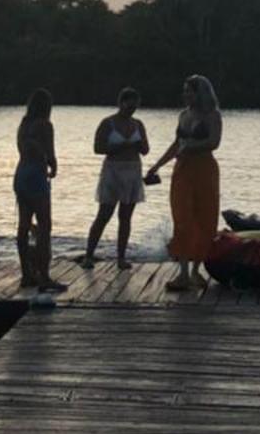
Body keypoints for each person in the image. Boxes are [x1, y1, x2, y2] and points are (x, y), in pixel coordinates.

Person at [146, 73, 223, 292]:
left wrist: (192, 147)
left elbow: (214, 142)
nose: (185, 94)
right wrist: (157, 165)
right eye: (185, 90)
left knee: (205, 217)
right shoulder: (183, 115)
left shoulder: (213, 115)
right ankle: (182, 273)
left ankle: (196, 270)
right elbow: (176, 144)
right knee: (182, 217)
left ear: (200, 93)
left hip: (204, 169)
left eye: (189, 90)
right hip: (183, 170)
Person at [82, 89, 150, 269]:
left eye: (135, 105)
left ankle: (121, 258)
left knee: (126, 217)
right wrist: (119, 146)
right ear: (121, 103)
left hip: (133, 171)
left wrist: (138, 145)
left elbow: (145, 150)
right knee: (104, 214)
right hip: (113, 171)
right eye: (129, 105)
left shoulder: (138, 124)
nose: (132, 109)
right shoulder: (107, 123)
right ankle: (89, 255)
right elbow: (97, 148)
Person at [14, 89, 63, 292]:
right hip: (36, 175)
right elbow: (50, 154)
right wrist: (54, 167)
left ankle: (26, 274)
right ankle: (44, 275)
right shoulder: (45, 125)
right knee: (44, 226)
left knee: (24, 225)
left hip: (21, 174)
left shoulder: (24, 125)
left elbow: (21, 149)